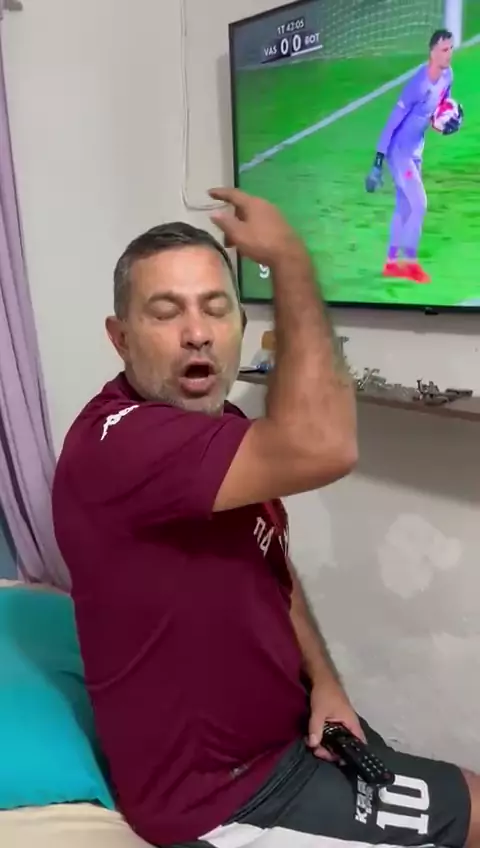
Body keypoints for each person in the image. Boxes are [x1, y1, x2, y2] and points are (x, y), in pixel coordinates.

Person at [53, 189, 480, 848]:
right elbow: (326, 444)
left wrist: (326, 684)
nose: (197, 332)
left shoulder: (219, 429)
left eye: (216, 308)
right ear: (120, 338)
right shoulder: (118, 444)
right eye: (165, 312)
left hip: (293, 737)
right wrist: (290, 261)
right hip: (225, 798)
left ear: (239, 327)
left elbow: (269, 562)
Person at [365, 29, 463, 284]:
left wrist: (443, 120)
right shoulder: (417, 86)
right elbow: (391, 124)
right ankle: (410, 264)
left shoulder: (448, 75)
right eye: (444, 49)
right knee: (419, 204)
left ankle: (390, 264)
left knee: (404, 206)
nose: (449, 54)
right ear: (432, 52)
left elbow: (441, 104)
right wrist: (377, 162)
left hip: (416, 149)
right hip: (399, 152)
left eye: (451, 48)